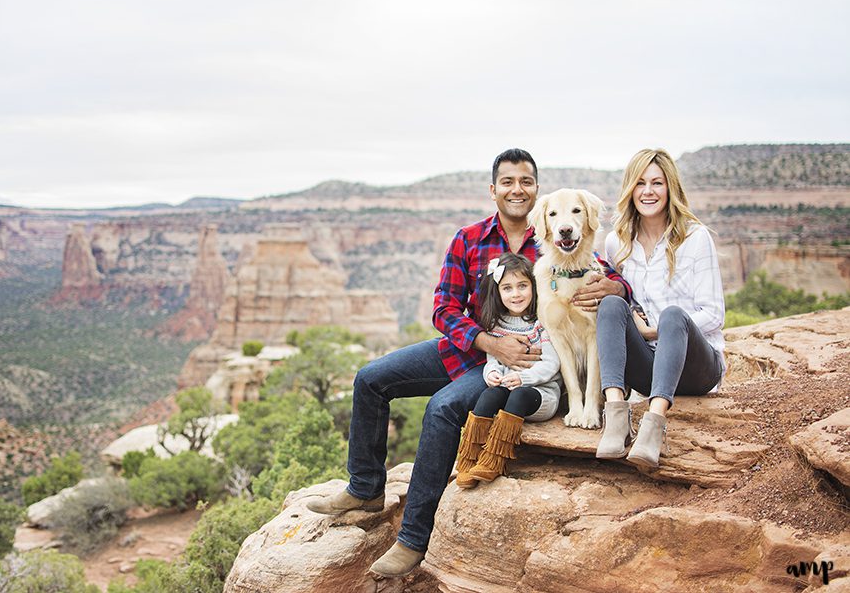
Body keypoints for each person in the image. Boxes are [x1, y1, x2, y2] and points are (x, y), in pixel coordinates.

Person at [307, 148, 630, 578]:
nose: (518, 190)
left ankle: (413, 540)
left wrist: (615, 289)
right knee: (370, 379)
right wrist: (486, 341)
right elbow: (443, 307)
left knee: (441, 409)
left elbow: (604, 273)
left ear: (537, 191)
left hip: (518, 364)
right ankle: (365, 488)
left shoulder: (554, 240)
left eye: (527, 182)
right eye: (508, 182)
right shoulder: (470, 238)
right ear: (493, 190)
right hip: (469, 349)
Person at [593, 148, 725, 467]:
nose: (648, 191)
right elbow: (623, 297)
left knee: (673, 315)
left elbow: (714, 314)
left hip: (697, 367)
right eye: (640, 183)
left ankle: (653, 426)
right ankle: (616, 419)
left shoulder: (695, 238)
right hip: (649, 367)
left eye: (657, 183)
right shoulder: (617, 243)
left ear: (670, 189)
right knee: (611, 303)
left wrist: (657, 329)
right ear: (630, 189)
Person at [455, 252, 562, 489]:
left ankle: (495, 458)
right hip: (507, 389)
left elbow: (552, 364)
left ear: (534, 287)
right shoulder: (496, 326)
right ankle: (469, 458)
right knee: (489, 395)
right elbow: (492, 360)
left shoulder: (541, 323)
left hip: (540, 395)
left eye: (522, 286)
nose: (516, 294)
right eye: (508, 288)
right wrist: (490, 374)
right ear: (498, 292)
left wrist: (523, 378)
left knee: (520, 394)